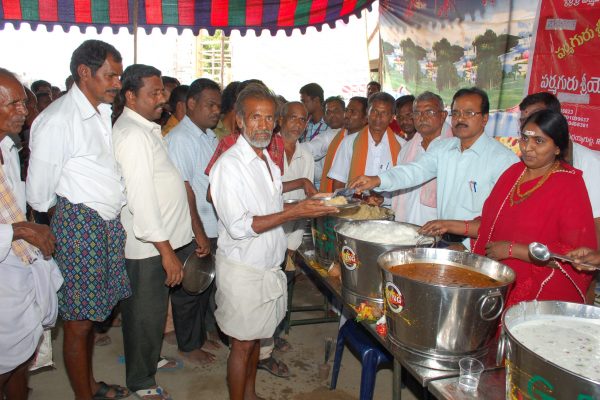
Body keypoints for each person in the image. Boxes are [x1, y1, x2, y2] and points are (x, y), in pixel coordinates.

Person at [209, 83, 337, 400]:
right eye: (255, 118)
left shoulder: (267, 159)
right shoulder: (229, 166)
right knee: (242, 345)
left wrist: (309, 205)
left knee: (257, 340)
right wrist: (295, 211)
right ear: (239, 120)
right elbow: (240, 226)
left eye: (269, 119)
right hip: (244, 270)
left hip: (267, 266)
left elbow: (273, 206)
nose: (263, 125)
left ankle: (250, 394)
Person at [27, 40, 132, 400]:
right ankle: (83, 396)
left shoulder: (100, 111)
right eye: (110, 75)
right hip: (79, 227)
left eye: (118, 75)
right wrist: (75, 220)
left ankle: (88, 385)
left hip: (102, 225)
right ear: (84, 73)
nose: (117, 83)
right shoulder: (58, 120)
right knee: (77, 322)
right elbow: (39, 195)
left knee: (89, 320)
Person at [421, 110, 597, 309]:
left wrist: (513, 250)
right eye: (524, 138)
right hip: (497, 282)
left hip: (538, 298)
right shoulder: (514, 173)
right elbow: (489, 227)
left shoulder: (569, 185)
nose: (528, 148)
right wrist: (446, 225)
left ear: (557, 148)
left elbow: (571, 259)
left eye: (539, 141)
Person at [113, 64, 193, 400]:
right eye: (154, 93)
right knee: (145, 314)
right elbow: (142, 201)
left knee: (151, 312)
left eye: (163, 92)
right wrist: (167, 252)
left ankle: (146, 358)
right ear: (131, 96)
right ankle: (141, 382)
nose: (163, 99)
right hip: (148, 247)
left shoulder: (145, 128)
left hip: (159, 242)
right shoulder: (132, 135)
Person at [350, 87, 519, 246]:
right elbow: (414, 171)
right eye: (456, 113)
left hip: (476, 246)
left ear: (484, 118)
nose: (460, 119)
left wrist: (466, 247)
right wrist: (378, 180)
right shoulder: (443, 149)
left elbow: (505, 220)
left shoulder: (504, 161)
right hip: (441, 241)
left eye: (469, 113)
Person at [0, 68, 62, 400]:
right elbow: (17, 223)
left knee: (21, 357)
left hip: (19, 268)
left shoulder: (9, 149)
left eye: (25, 104)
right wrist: (21, 229)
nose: (24, 112)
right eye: (15, 104)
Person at [519, 91, 600, 303]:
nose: (530, 123)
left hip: (571, 264)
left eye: (536, 116)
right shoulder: (525, 162)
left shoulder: (589, 164)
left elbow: (595, 229)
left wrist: (590, 269)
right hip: (532, 261)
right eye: (524, 119)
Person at [166, 78, 221, 365]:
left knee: (204, 286)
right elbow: (183, 188)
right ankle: (188, 345)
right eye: (209, 105)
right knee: (189, 290)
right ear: (191, 104)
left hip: (211, 225)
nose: (215, 111)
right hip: (192, 228)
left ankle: (200, 334)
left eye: (218, 106)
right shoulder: (180, 139)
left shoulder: (208, 136)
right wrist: (198, 232)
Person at [328, 92, 405, 206]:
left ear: (391, 117)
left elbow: (403, 186)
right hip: (354, 210)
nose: (378, 117)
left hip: (388, 211)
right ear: (367, 113)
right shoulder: (349, 142)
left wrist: (383, 200)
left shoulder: (402, 146)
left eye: (384, 113)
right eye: (374, 111)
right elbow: (338, 182)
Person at [392, 91, 452, 226]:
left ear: (443, 116)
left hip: (439, 230)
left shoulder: (454, 149)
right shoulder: (407, 149)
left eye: (429, 112)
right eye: (417, 113)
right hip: (406, 227)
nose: (422, 117)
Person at [318, 97, 368, 193]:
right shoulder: (338, 137)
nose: (347, 115)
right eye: (347, 110)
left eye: (353, 112)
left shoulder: (371, 142)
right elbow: (338, 181)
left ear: (365, 118)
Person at [306, 96, 345, 189]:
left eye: (336, 111)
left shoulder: (352, 133)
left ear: (345, 112)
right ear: (325, 117)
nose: (332, 115)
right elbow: (313, 148)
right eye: (328, 112)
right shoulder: (328, 135)